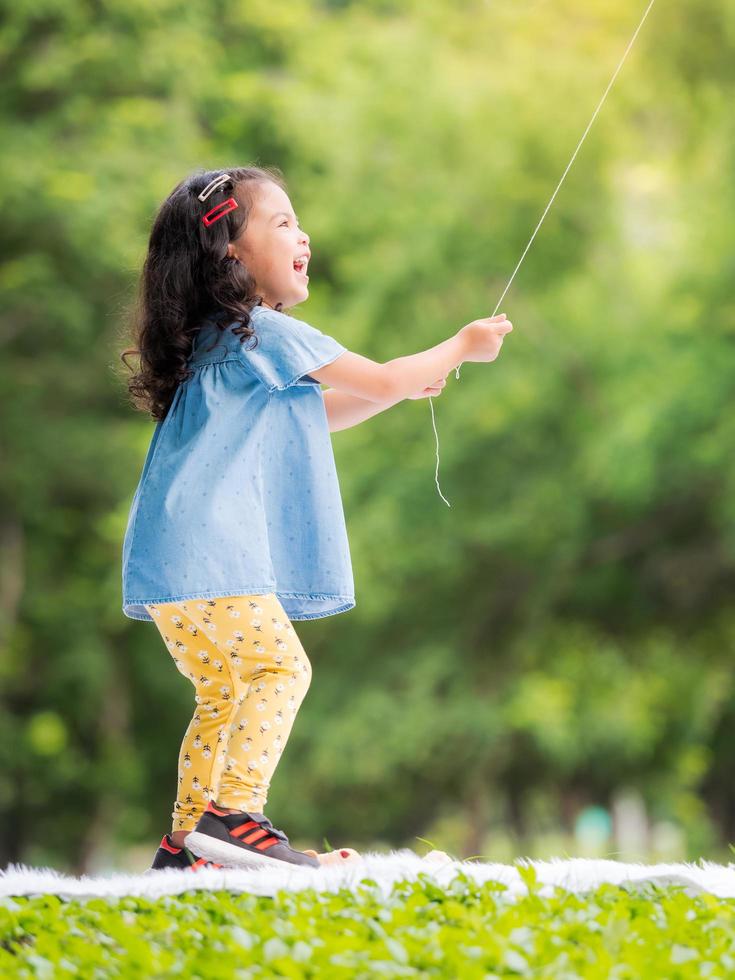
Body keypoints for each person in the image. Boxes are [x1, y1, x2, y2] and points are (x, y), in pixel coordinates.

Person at [120, 165, 512, 872]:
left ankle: (187, 845)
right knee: (279, 669)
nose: (303, 235)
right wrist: (461, 345)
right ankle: (235, 816)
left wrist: (402, 388)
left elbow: (320, 416)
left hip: (168, 558)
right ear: (231, 252)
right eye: (282, 222)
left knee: (223, 691)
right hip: (215, 551)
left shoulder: (216, 343)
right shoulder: (265, 333)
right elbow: (386, 376)